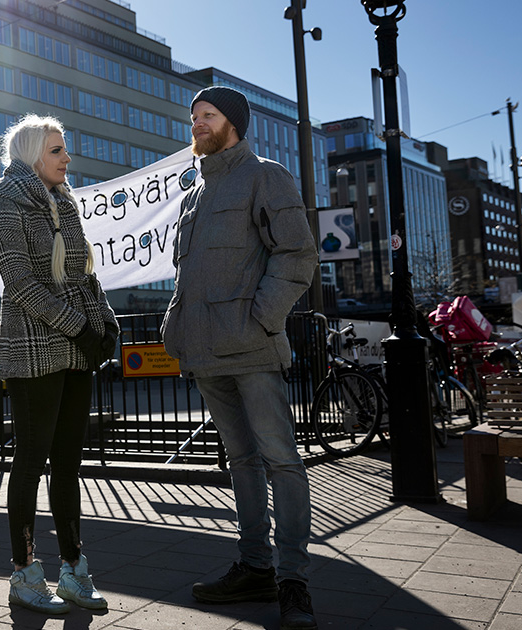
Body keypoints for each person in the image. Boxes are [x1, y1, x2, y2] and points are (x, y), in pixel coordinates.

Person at [160, 86, 320, 630]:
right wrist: (175, 326)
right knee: (242, 462)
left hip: (251, 347)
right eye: (194, 117)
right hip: (204, 352)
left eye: (208, 115)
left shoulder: (267, 176)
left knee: (280, 460)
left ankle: (293, 580)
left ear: (235, 123)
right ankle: (254, 566)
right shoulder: (192, 196)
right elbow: (190, 275)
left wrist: (262, 317)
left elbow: (297, 254)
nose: (198, 123)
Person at [0, 114, 119, 615]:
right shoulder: (5, 201)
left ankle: (73, 572)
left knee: (67, 464)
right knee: (31, 461)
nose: (67, 159)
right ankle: (24, 574)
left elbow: (86, 274)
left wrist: (104, 323)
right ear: (32, 153)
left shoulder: (65, 202)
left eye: (65, 150)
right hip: (35, 349)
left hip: (75, 351)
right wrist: (79, 327)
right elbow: (20, 283)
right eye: (58, 150)